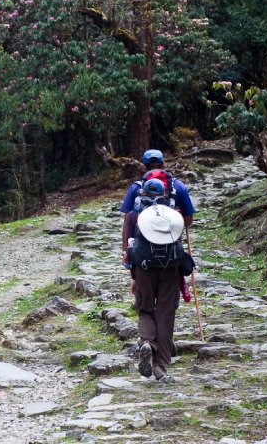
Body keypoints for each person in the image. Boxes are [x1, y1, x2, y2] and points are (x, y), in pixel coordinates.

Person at [120, 149, 196, 381]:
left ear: (144, 166)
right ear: (163, 163)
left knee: (145, 309)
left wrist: (128, 260)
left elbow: (128, 225)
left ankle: (147, 344)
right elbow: (188, 221)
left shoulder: (135, 192)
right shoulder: (178, 188)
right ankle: (161, 366)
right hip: (171, 264)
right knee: (166, 314)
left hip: (143, 264)